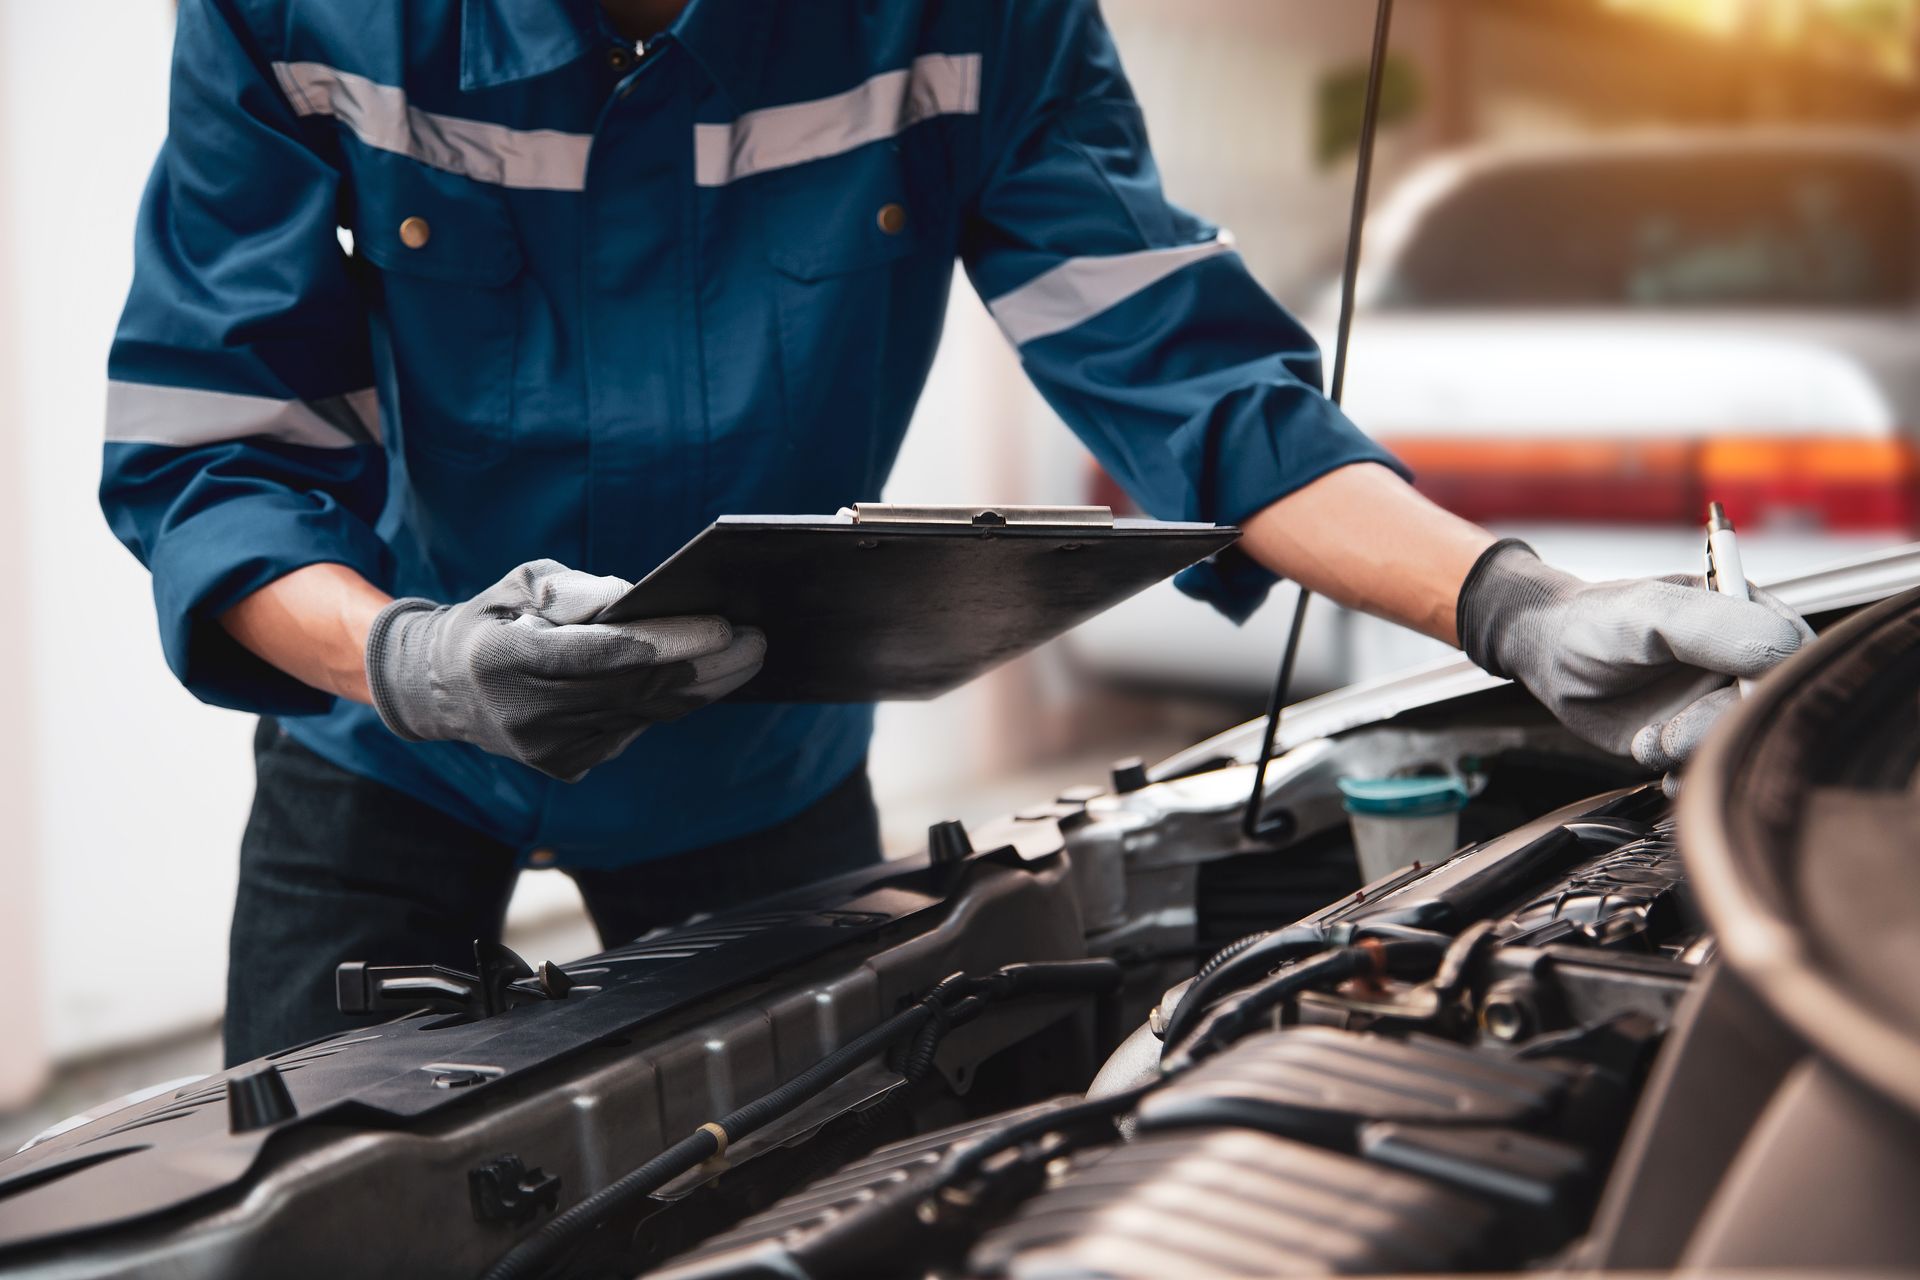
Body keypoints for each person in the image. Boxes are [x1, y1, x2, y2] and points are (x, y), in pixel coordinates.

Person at [102, 0, 1808, 1065]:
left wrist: (1512, 606)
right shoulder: (297, 8)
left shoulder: (970, 16)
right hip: (388, 755)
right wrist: (408, 659)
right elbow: (213, 449)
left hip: (756, 772)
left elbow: (1193, 381)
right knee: (304, 1197)